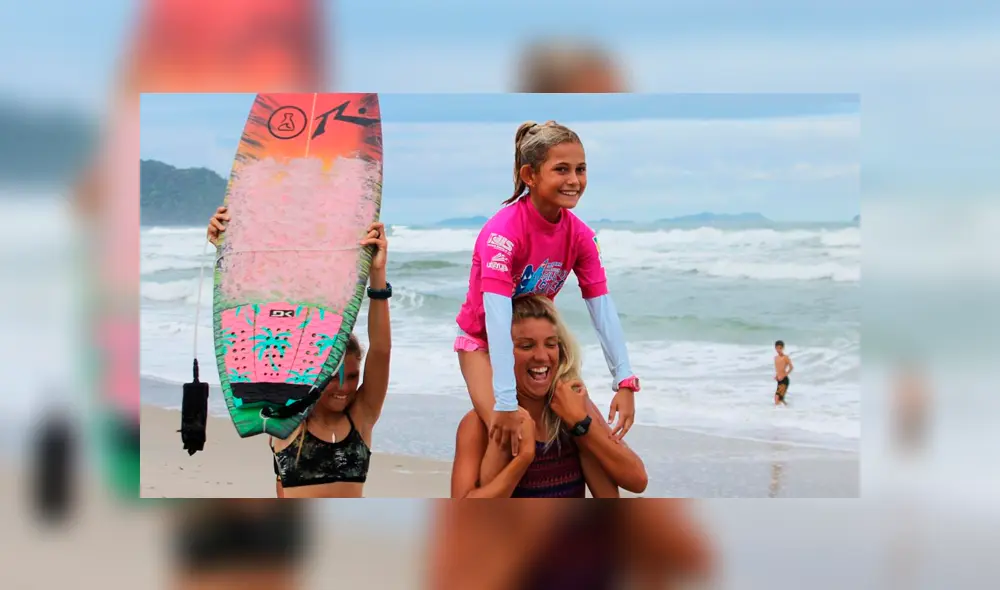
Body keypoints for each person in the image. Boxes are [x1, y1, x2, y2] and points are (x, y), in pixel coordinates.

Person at [454, 120, 641, 458]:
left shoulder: (580, 236)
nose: (574, 180)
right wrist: (506, 400)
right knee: (514, 439)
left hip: (538, 348)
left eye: (580, 169)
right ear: (530, 175)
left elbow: (602, 308)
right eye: (561, 169)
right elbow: (496, 319)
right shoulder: (503, 233)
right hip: (482, 346)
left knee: (592, 438)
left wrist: (624, 380)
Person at [207, 211, 391, 498]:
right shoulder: (285, 418)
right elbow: (262, 310)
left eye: (352, 376)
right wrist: (229, 246)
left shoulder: (361, 416)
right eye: (333, 378)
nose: (344, 387)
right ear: (313, 371)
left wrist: (378, 274)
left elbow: (381, 349)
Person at [451, 295, 647, 498]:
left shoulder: (574, 409)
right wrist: (523, 458)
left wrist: (581, 425)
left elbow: (637, 480)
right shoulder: (477, 424)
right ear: (501, 354)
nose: (542, 356)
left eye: (551, 344)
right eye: (526, 346)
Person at [773, 340, 794, 406]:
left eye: (780, 348)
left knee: (777, 398)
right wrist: (777, 376)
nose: (778, 350)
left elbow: (791, 367)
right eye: (777, 348)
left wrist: (784, 375)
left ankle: (780, 411)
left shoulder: (785, 357)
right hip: (779, 380)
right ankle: (786, 410)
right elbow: (778, 369)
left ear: (783, 348)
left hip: (784, 380)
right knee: (780, 399)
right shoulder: (776, 358)